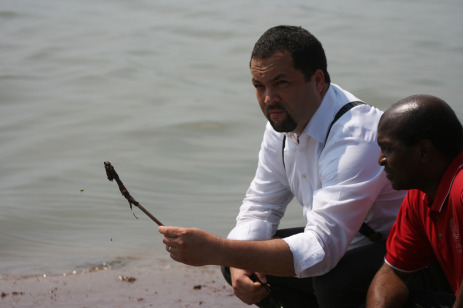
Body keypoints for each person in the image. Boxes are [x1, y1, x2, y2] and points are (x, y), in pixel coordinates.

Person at [158, 25, 405, 307]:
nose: (268, 99)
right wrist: (235, 259)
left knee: (331, 282)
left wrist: (219, 250)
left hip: (405, 250)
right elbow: (261, 207)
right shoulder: (281, 123)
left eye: (281, 84)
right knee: (243, 265)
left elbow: (323, 251)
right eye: (259, 86)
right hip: (344, 243)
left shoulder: (355, 138)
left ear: (318, 80)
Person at [366, 94, 463, 308]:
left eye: (388, 148)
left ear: (424, 151)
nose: (380, 159)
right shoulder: (420, 194)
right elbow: (393, 272)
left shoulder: (461, 188)